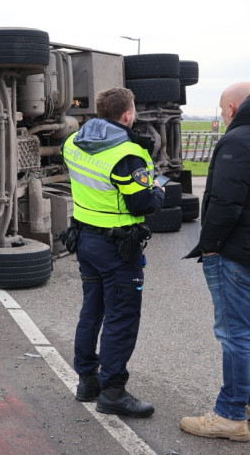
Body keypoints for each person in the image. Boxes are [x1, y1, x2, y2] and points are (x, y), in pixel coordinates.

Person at [62, 86, 164, 418]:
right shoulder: (127, 154)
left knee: (92, 311)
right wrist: (158, 189)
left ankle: (87, 380)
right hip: (118, 249)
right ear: (127, 114)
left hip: (86, 241)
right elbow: (144, 203)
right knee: (121, 317)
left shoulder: (72, 143)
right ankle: (113, 392)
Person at [180, 82, 250, 442]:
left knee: (235, 334)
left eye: (223, 111)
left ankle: (231, 414)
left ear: (233, 109)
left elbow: (225, 203)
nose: (222, 117)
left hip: (236, 254)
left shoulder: (238, 141)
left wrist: (209, 247)